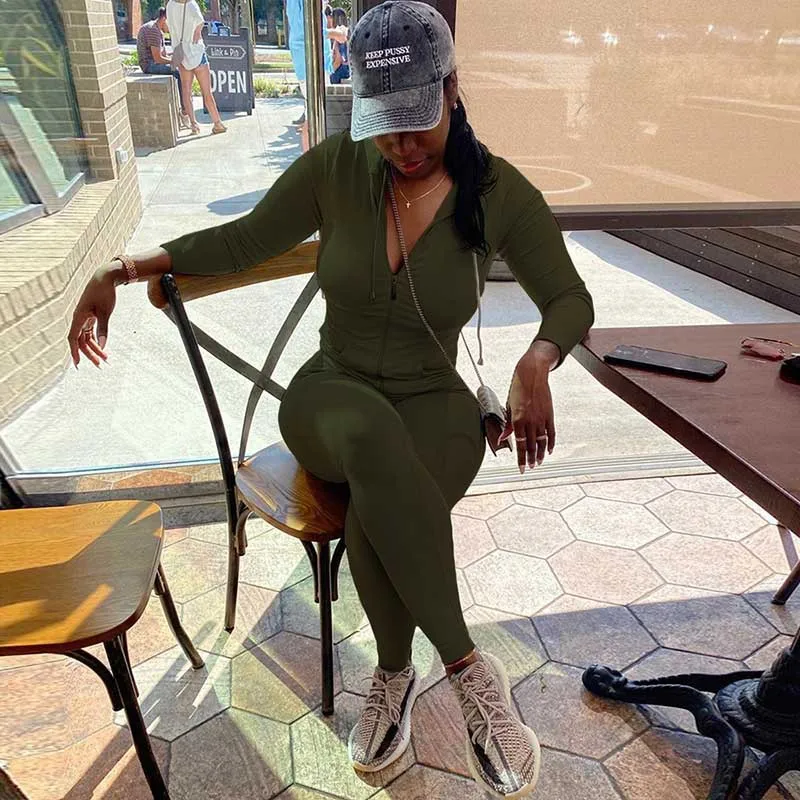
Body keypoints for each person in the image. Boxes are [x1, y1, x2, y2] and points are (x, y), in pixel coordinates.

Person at [68, 2, 593, 796]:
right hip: (331, 395)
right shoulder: (337, 169)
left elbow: (569, 298)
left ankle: (392, 675)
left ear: (453, 89)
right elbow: (244, 239)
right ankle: (470, 674)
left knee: (384, 512)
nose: (401, 144)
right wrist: (122, 266)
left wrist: (538, 359)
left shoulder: (498, 192)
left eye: (416, 121)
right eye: (384, 125)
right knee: (375, 442)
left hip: (436, 398)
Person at [165, 0, 227, 135]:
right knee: (207, 92)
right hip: (196, 52)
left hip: (181, 54)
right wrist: (196, 33)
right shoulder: (191, 4)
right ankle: (217, 123)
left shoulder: (170, 5)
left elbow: (169, 27)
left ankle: (194, 125)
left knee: (186, 91)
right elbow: (200, 23)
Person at [284, 0, 333, 150]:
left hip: (315, 63)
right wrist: (335, 34)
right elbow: (302, 32)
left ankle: (311, 160)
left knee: (315, 116)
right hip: (309, 64)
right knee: (316, 116)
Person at [136, 7, 190, 126]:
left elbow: (163, 54)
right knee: (178, 72)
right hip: (149, 65)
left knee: (182, 69)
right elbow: (158, 58)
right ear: (165, 19)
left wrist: (177, 54)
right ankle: (185, 111)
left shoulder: (158, 30)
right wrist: (175, 62)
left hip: (154, 62)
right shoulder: (152, 30)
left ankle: (185, 105)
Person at [328, 7, 350, 84]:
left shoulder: (338, 35)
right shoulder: (346, 32)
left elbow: (338, 59)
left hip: (338, 72)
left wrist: (330, 72)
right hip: (347, 70)